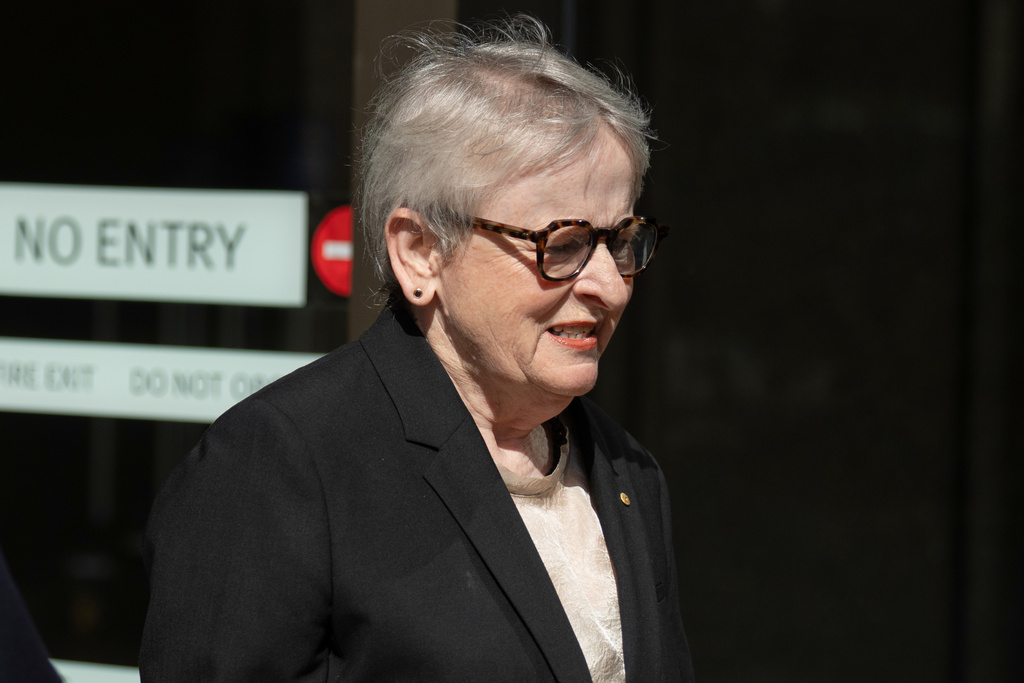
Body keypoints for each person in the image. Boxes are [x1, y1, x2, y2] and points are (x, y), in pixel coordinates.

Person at [140, 15, 694, 682]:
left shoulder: (626, 471)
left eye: (621, 240)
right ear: (420, 252)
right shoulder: (284, 466)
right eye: (564, 243)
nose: (608, 284)